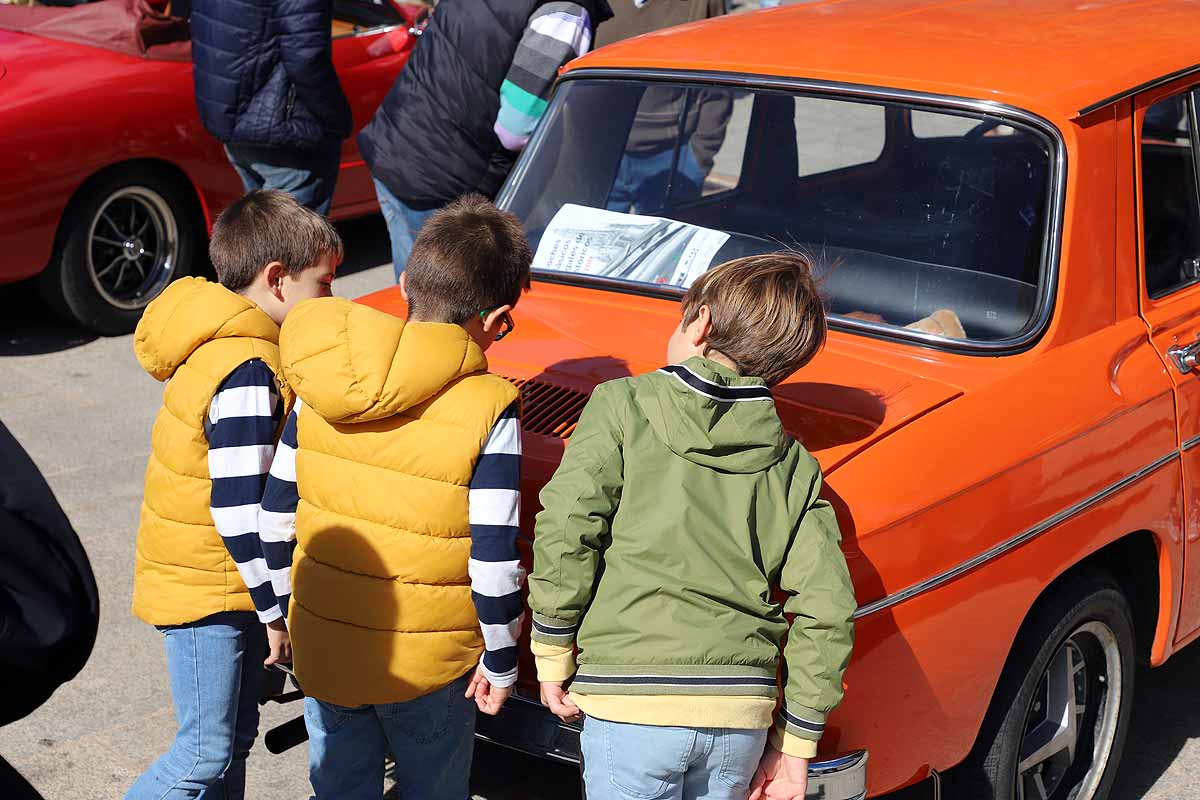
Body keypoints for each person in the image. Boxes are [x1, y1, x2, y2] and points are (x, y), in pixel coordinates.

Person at [528, 253, 858, 800]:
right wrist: (796, 745)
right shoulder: (793, 462)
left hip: (629, 698)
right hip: (740, 716)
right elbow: (828, 608)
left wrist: (552, 649)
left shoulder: (621, 404)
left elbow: (568, 527)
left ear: (700, 322)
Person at [257, 195, 532, 799]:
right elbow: (491, 558)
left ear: (405, 282)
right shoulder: (489, 405)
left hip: (325, 648)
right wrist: (502, 658)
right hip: (429, 667)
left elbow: (275, 517)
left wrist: (280, 614)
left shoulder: (323, 380)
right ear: (499, 318)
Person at [124, 190, 342, 800]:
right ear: (277, 281)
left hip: (221, 580)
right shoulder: (248, 368)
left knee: (231, 742)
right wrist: (276, 610)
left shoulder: (226, 343)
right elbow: (240, 506)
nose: (331, 296)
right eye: (323, 282)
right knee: (203, 754)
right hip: (212, 591)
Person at [358, 0, 613, 279]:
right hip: (443, 180)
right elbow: (516, 128)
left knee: (409, 295)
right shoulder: (564, 11)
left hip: (395, 142)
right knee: (440, 308)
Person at [190, 0, 353, 214]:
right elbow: (306, 59)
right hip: (286, 135)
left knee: (260, 235)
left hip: (234, 117)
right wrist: (337, 119)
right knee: (290, 241)